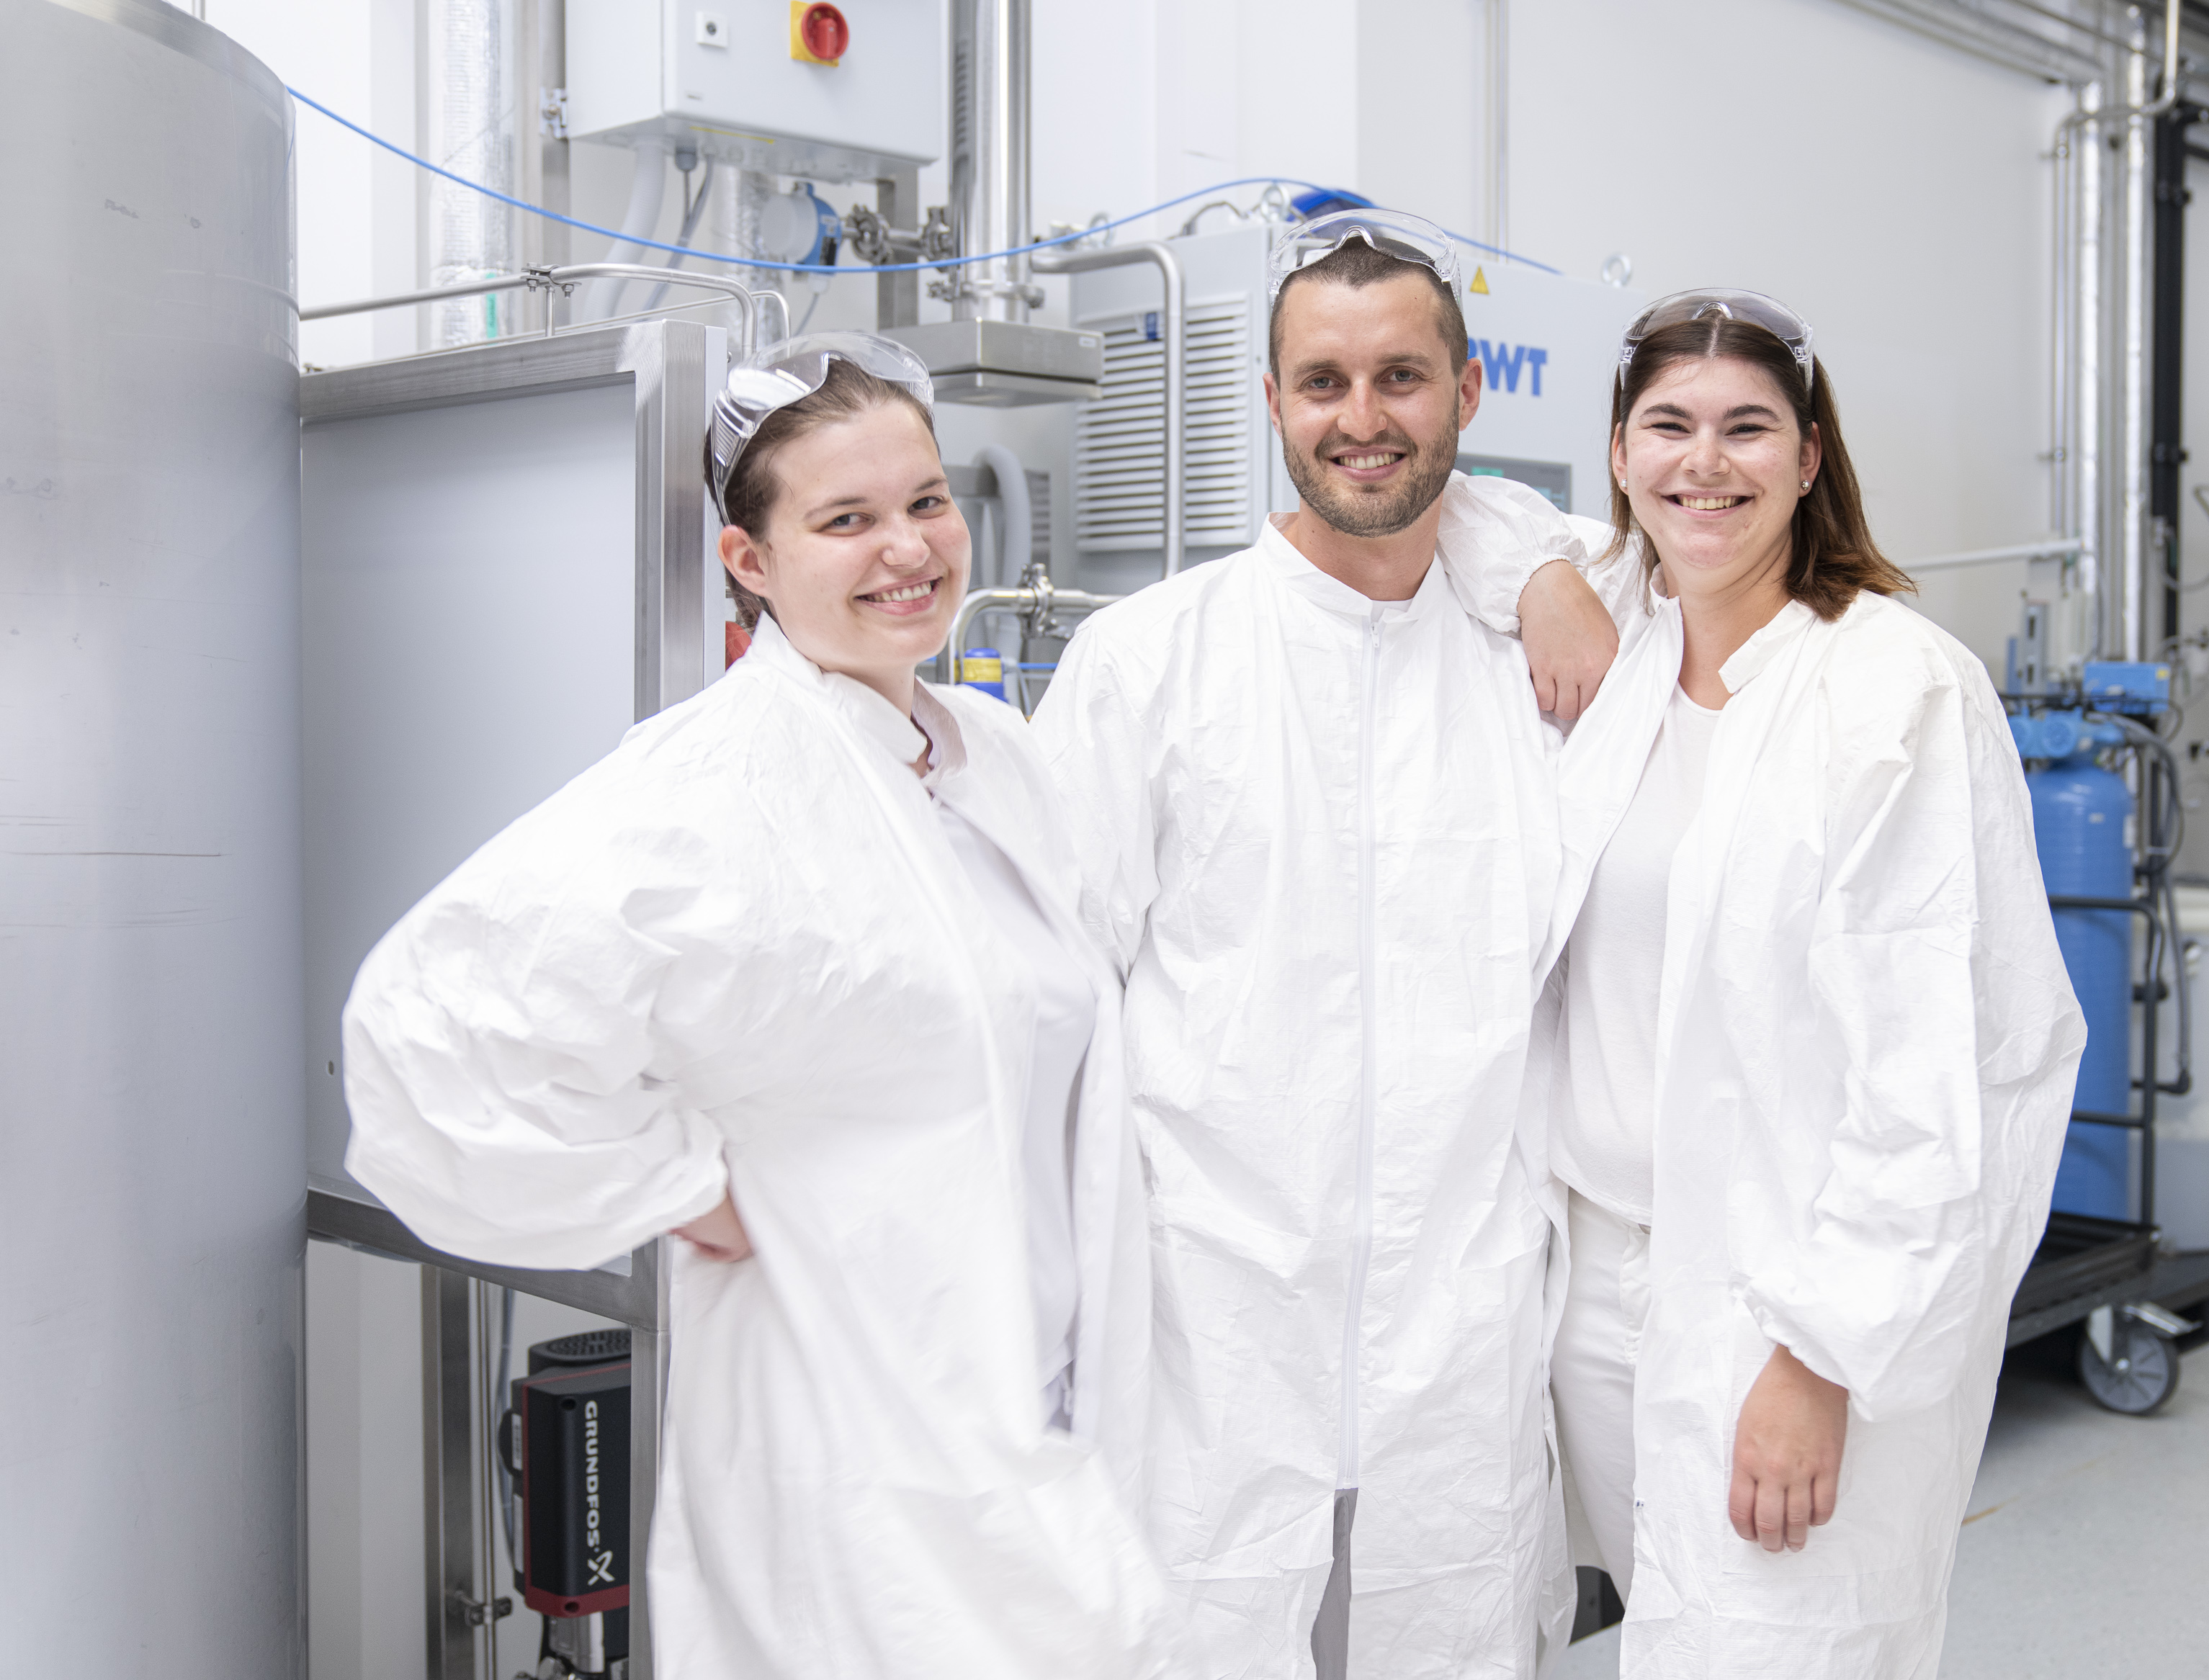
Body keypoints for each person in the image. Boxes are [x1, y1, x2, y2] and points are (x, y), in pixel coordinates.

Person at [341, 335, 1179, 1679]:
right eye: (844, 520)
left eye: (923, 501)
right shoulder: (714, 785)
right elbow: (424, 1031)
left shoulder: (993, 756)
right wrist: (677, 1181)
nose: (906, 548)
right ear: (751, 561)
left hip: (1037, 1423)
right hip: (844, 1453)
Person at [1029, 210, 1618, 1680]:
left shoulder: (1539, 667)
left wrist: (1532, 553)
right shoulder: (1151, 663)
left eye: (1402, 379)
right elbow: (1037, 997)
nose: (1363, 421)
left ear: (1466, 399)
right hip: (1211, 1318)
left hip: (1460, 1323)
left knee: (1458, 1638)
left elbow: (1676, 531)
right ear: (1274, 402)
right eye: (1323, 384)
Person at [1535, 292, 2083, 1676]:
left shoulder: (1894, 691)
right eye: (1668, 425)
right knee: (1658, 1632)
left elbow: (1939, 1066)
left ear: (1812, 453)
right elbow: (1464, 521)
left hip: (1790, 1302)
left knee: (1781, 1649)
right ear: (1615, 453)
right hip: (1598, 1283)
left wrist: (1820, 1355)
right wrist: (1544, 577)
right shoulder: (1614, 657)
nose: (1702, 463)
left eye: (1747, 428)